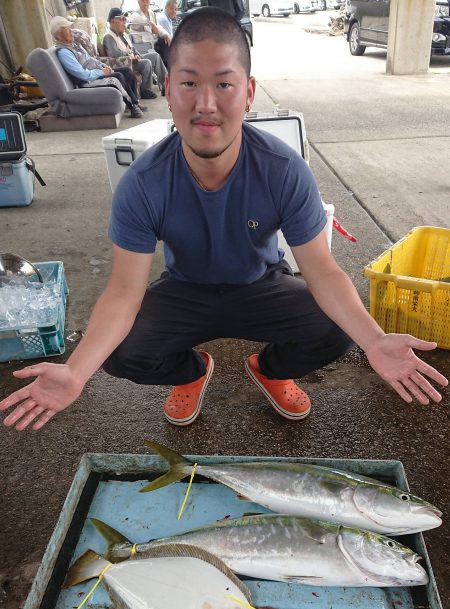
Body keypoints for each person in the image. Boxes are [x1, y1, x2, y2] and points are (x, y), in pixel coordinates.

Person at [0, 7, 447, 432]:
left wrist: (374, 339)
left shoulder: (284, 170)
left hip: (262, 284)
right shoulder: (142, 183)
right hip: (185, 290)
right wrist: (77, 370)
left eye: (224, 84)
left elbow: (324, 273)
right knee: (118, 350)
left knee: (337, 327)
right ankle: (192, 373)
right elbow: (122, 292)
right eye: (189, 83)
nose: (206, 104)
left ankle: (270, 370)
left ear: (248, 93)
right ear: (169, 89)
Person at [50, 16, 144, 118]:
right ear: (59, 36)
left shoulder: (75, 45)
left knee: (127, 71)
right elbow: (81, 74)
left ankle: (135, 101)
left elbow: (90, 59)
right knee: (118, 76)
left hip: (96, 72)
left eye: (70, 27)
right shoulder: (64, 52)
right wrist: (102, 72)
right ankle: (133, 106)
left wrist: (103, 66)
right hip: (87, 81)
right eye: (67, 29)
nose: (71, 31)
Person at [102, 8, 166, 99]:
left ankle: (166, 84)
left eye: (125, 19)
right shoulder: (108, 37)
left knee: (155, 56)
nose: (124, 22)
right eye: (121, 19)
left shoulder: (123, 33)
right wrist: (130, 57)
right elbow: (114, 55)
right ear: (113, 21)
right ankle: (145, 90)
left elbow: (133, 49)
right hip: (126, 63)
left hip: (134, 59)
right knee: (146, 63)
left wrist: (137, 55)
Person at [155, 0, 178, 68]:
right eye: (171, 8)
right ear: (166, 8)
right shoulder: (164, 19)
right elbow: (170, 39)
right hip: (160, 46)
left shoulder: (166, 17)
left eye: (175, 9)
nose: (174, 11)